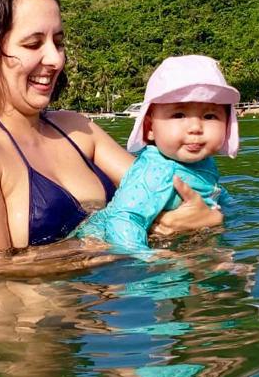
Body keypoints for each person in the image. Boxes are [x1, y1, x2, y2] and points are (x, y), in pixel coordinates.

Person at [0, 0, 223, 268]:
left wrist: (203, 215)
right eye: (33, 44)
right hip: (43, 315)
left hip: (122, 308)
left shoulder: (78, 129)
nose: (56, 59)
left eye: (58, 42)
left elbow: (167, 187)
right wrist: (105, 244)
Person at [76, 55, 239, 253]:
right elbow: (122, 220)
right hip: (101, 245)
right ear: (149, 127)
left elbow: (213, 191)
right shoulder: (157, 172)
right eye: (179, 115)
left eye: (209, 116)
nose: (196, 127)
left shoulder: (203, 163)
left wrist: (226, 210)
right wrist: (148, 259)